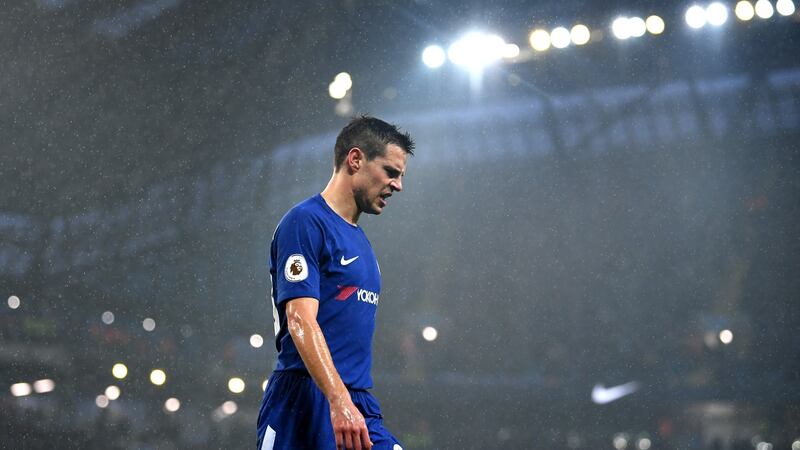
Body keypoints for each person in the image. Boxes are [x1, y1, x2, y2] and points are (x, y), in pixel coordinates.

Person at [257, 116, 414, 450]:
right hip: (304, 400)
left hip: (356, 403)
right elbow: (299, 318)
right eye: (390, 172)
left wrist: (348, 401)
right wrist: (338, 399)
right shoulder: (305, 222)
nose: (398, 185)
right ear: (355, 160)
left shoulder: (362, 244)